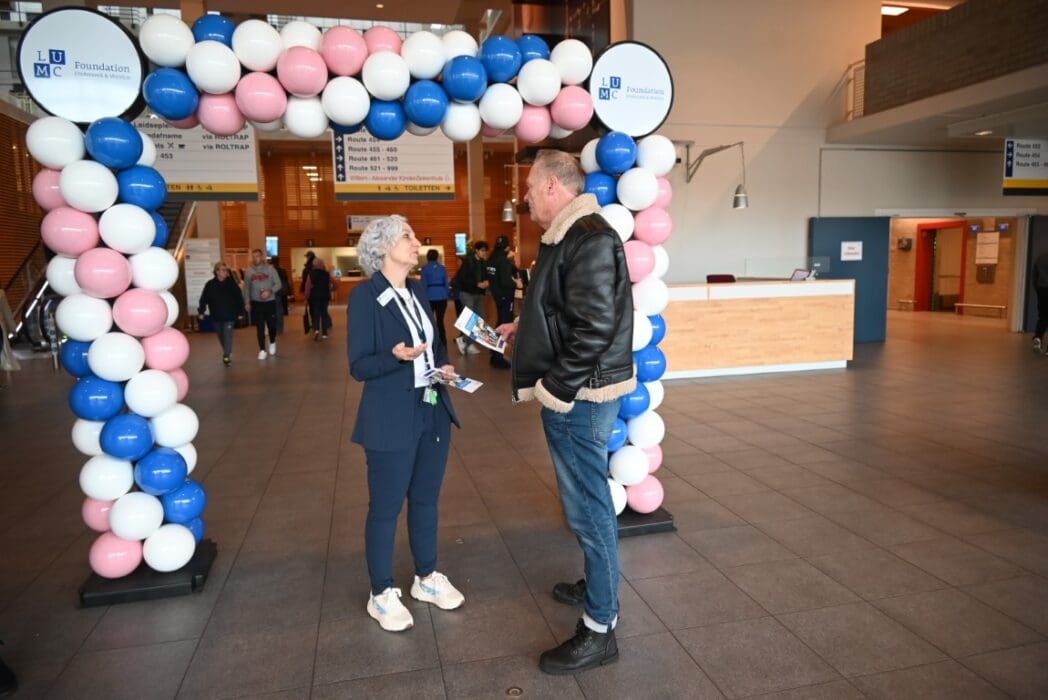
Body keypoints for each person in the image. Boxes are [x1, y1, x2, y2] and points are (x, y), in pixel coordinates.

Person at [496, 149, 635, 675]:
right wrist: (523, 327)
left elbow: (595, 329)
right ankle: (597, 585)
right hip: (579, 391)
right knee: (585, 504)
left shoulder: (589, 238)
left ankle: (599, 629)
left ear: (554, 186)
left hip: (581, 396)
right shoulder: (568, 236)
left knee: (588, 509)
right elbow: (562, 310)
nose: (526, 197)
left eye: (531, 187)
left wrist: (556, 388)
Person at [347, 215, 465, 633]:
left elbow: (432, 346)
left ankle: (426, 577)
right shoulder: (365, 296)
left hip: (432, 408)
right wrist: (394, 357)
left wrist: (441, 366)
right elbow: (359, 366)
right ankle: (380, 593)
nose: (416, 242)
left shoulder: (416, 290)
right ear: (382, 248)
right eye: (407, 236)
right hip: (390, 416)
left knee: (426, 500)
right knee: (385, 508)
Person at [197, 261, 245, 366]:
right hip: (216, 316)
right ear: (217, 271)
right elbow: (204, 299)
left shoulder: (231, 284)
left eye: (226, 270)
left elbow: (239, 298)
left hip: (230, 316)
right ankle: (227, 351)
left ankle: (226, 356)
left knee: (227, 336)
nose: (225, 272)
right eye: (223, 270)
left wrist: (241, 312)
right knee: (221, 337)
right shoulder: (210, 285)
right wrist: (201, 311)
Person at [243, 248, 283, 360]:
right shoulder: (249, 272)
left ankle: (272, 341)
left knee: (271, 325)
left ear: (262, 257)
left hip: (270, 302)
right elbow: (246, 288)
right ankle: (262, 350)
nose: (256, 258)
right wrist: (247, 302)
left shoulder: (270, 269)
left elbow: (278, 284)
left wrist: (270, 291)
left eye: (258, 256)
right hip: (256, 303)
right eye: (254, 256)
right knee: (259, 327)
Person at [454, 241, 489, 355]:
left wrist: (486, 282)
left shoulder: (483, 262)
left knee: (480, 319)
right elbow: (462, 278)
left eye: (485, 251)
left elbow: (485, 276)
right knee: (470, 318)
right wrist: (476, 284)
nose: (484, 253)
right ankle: (464, 341)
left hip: (477, 293)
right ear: (476, 250)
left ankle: (467, 343)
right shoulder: (468, 261)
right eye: (482, 250)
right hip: (467, 293)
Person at [485, 236, 515, 369]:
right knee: (504, 325)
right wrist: (516, 283)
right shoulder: (503, 261)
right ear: (507, 247)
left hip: (497, 295)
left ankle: (494, 352)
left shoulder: (491, 259)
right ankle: (497, 357)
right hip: (505, 296)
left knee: (499, 323)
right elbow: (506, 281)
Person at [420, 249, 450, 351]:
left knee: (429, 320)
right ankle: (443, 343)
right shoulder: (442, 268)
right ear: (437, 257)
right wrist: (446, 294)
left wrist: (422, 297)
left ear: (427, 257)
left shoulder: (424, 269)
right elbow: (446, 283)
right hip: (441, 296)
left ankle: (431, 342)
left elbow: (423, 284)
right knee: (440, 321)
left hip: (429, 296)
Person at [305, 257, 335, 340]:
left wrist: (306, 297)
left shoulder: (310, 274)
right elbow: (335, 284)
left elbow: (307, 287)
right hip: (325, 296)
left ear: (314, 264)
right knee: (324, 313)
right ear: (321, 264)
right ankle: (325, 333)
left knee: (316, 313)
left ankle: (316, 330)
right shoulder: (327, 274)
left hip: (314, 297)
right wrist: (330, 289)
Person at [270, 255, 291, 336]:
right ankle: (280, 328)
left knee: (275, 310)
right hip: (282, 292)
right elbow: (286, 281)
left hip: (274, 291)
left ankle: (275, 328)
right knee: (280, 310)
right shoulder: (282, 270)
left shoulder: (271, 270)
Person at [1032, 251, 1048, 354]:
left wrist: (1038, 289)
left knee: (1043, 316)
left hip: (1042, 290)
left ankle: (1038, 337)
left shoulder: (1040, 258)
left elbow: (1034, 276)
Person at [300, 250, 316, 333]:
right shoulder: (319, 266)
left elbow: (304, 281)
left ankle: (314, 324)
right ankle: (325, 322)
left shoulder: (306, 269)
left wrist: (303, 291)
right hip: (319, 290)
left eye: (306, 257)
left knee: (312, 308)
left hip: (310, 291)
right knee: (320, 308)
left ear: (309, 257)